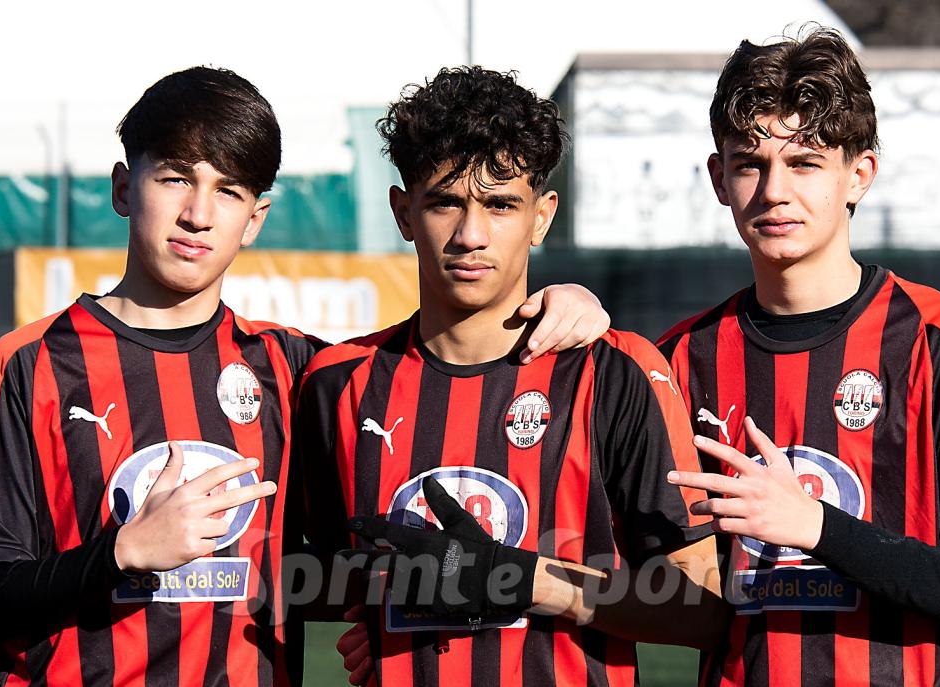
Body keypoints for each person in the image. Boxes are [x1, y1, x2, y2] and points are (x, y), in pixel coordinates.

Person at [0, 66, 612, 686]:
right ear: (122, 187)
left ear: (254, 218)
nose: (198, 214)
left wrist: (567, 302)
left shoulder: (297, 371)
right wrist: (125, 550)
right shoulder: (30, 363)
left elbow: (345, 557)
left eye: (227, 191)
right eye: (175, 177)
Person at [298, 66, 726, 687]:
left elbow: (702, 610)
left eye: (500, 205)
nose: (471, 235)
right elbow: (325, 578)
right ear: (402, 212)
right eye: (446, 201)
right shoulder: (336, 384)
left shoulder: (617, 373)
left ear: (543, 216)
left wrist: (524, 581)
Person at [661, 27, 940, 686]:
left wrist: (814, 524)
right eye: (751, 162)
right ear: (719, 178)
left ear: (858, 174)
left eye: (805, 162)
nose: (774, 190)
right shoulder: (679, 359)